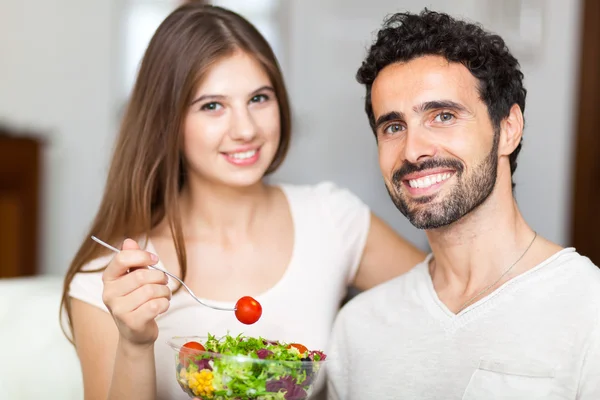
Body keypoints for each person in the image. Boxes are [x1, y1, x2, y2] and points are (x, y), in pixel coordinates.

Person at [60, 3, 425, 400]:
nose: (246, 129)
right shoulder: (110, 281)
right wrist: (134, 344)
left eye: (259, 98)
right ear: (167, 120)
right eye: (212, 106)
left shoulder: (332, 219)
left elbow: (448, 302)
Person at [326, 9, 600, 400]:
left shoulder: (588, 308)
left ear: (508, 130)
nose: (413, 150)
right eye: (393, 126)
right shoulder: (358, 326)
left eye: (442, 116)